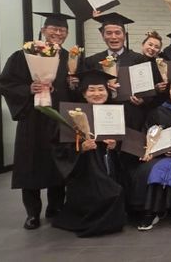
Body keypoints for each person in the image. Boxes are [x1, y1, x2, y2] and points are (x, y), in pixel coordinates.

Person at [0, 12, 75, 230]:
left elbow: (78, 91)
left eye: (62, 30)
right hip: (33, 120)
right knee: (29, 165)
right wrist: (28, 89)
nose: (58, 33)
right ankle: (32, 213)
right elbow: (5, 83)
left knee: (59, 165)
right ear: (43, 30)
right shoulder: (24, 55)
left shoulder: (70, 59)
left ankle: (55, 208)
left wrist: (74, 85)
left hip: (59, 118)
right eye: (54, 29)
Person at [51, 69, 126, 237]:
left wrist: (115, 145)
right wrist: (80, 148)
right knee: (108, 192)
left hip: (108, 165)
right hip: (84, 169)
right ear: (84, 94)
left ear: (107, 92)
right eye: (91, 90)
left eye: (101, 89)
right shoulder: (72, 114)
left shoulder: (114, 113)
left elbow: (125, 143)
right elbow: (59, 148)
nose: (97, 94)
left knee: (115, 188)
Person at [133, 76, 171, 231]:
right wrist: (157, 150)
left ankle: (158, 210)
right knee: (158, 169)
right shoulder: (158, 111)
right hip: (160, 155)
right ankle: (150, 211)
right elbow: (149, 133)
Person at [82, 12, 148, 130]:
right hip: (103, 115)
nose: (113, 37)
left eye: (118, 33)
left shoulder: (139, 59)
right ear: (102, 36)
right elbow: (85, 90)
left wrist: (143, 99)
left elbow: (148, 90)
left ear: (124, 35)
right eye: (108, 33)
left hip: (131, 115)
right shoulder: (92, 61)